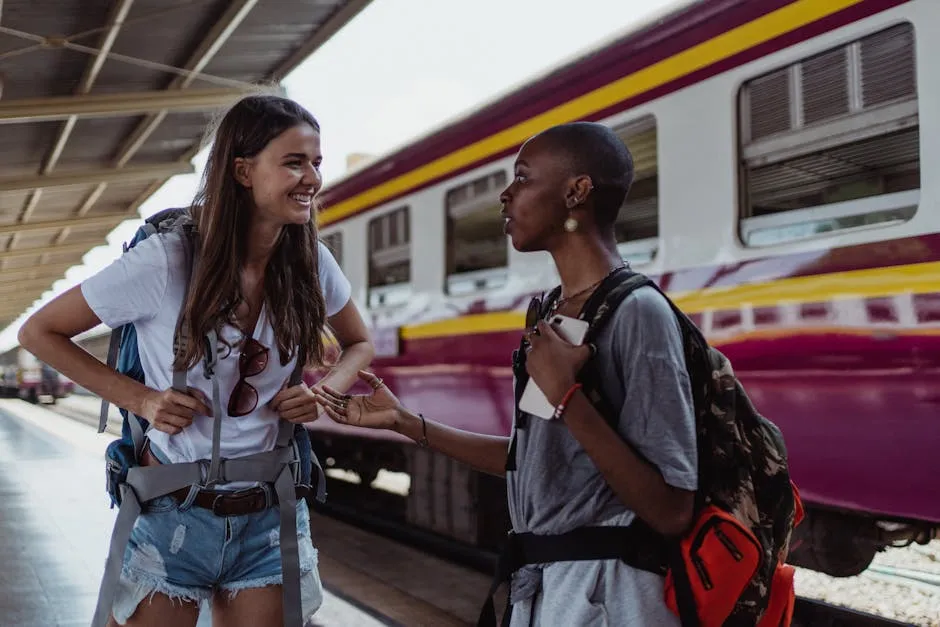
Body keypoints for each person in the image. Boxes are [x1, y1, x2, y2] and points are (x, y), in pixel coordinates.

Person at [314, 121, 698, 626]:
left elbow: (672, 508)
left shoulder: (639, 313)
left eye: (522, 177)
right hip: (546, 588)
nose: (505, 194)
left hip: (611, 594)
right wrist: (406, 423)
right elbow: (531, 461)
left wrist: (569, 398)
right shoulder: (550, 313)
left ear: (576, 191)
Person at [17, 94, 375, 627]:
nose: (312, 179)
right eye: (295, 162)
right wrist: (141, 398)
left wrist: (324, 390)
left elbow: (359, 344)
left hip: (270, 516)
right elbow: (39, 331)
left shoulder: (309, 262)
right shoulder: (167, 259)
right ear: (243, 171)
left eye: (317, 163)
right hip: (171, 515)